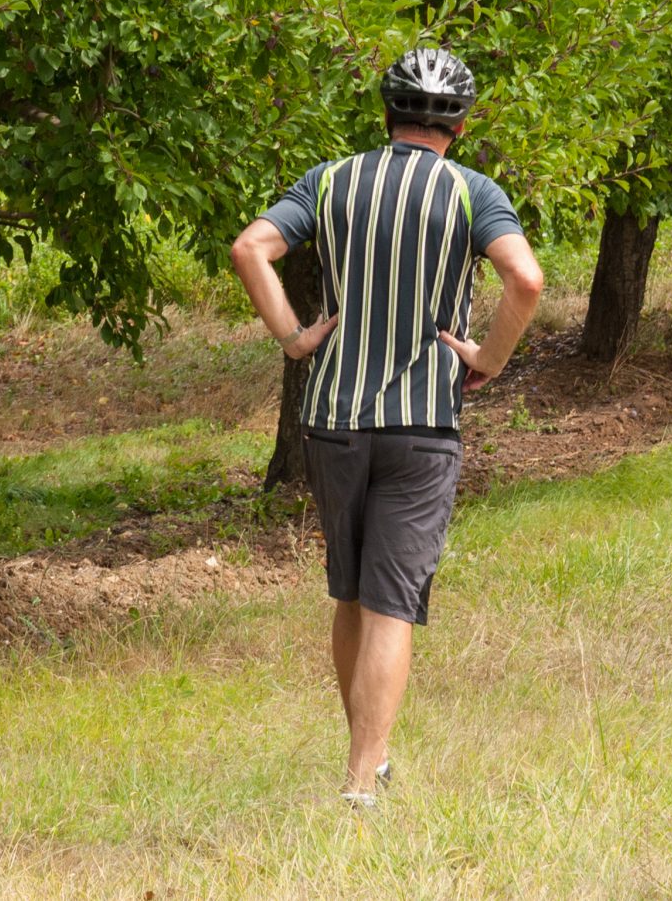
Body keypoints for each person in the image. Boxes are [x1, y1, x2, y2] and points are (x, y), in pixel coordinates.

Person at [230, 46, 543, 808]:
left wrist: (296, 337)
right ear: (461, 124)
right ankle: (361, 779)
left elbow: (251, 247)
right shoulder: (471, 191)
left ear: (386, 113)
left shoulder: (332, 179)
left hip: (334, 418)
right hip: (423, 425)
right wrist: (489, 358)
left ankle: (367, 756)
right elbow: (525, 280)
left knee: (351, 592)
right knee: (394, 599)